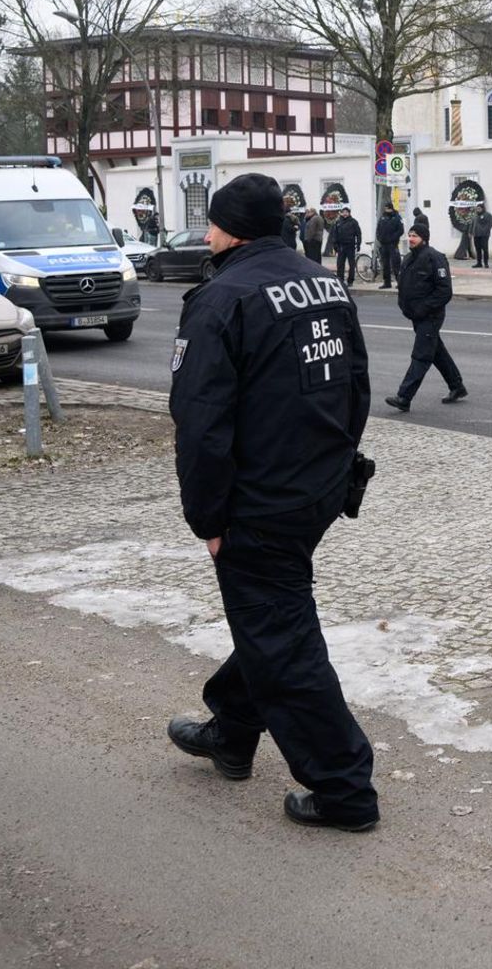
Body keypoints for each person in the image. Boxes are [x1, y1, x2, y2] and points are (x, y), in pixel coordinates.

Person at [165, 171, 379, 833]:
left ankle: (344, 789)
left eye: (211, 223)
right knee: (272, 616)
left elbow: (201, 424)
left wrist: (209, 519)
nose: (206, 235)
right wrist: (335, 471)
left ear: (232, 230)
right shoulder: (324, 282)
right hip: (317, 489)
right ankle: (231, 732)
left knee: (282, 637)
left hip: (259, 504)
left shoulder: (222, 298)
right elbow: (357, 385)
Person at [384, 223, 465, 411]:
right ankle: (457, 386)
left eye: (415, 236)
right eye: (410, 235)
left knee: (421, 355)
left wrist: (424, 308)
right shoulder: (409, 258)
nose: (411, 239)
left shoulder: (434, 258)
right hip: (416, 316)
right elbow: (403, 284)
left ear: (424, 239)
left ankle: (404, 397)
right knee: (436, 351)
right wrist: (404, 306)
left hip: (430, 316)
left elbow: (444, 291)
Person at [330, 208, 362, 289]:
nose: (345, 214)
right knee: (340, 264)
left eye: (346, 212)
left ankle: (350, 281)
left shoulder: (353, 222)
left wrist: (358, 244)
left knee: (351, 264)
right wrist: (335, 245)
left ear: (349, 213)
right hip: (341, 246)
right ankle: (340, 280)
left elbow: (358, 234)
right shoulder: (338, 222)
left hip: (350, 246)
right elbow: (335, 234)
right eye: (343, 212)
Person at [375, 203, 404, 288]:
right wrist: (379, 238)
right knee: (385, 265)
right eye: (385, 208)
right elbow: (378, 229)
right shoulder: (382, 217)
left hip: (393, 244)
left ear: (391, 208)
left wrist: (393, 238)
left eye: (387, 208)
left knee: (396, 264)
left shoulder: (397, 217)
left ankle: (399, 282)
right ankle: (387, 283)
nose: (386, 210)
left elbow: (401, 230)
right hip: (384, 244)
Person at [472, 204, 492, 269]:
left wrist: (485, 230)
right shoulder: (475, 215)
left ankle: (486, 263)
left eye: (479, 208)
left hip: (484, 235)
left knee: (485, 249)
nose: (478, 210)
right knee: (478, 249)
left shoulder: (487, 215)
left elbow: (490, 224)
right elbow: (472, 224)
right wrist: (471, 231)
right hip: (476, 234)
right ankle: (479, 263)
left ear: (483, 208)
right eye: (477, 209)